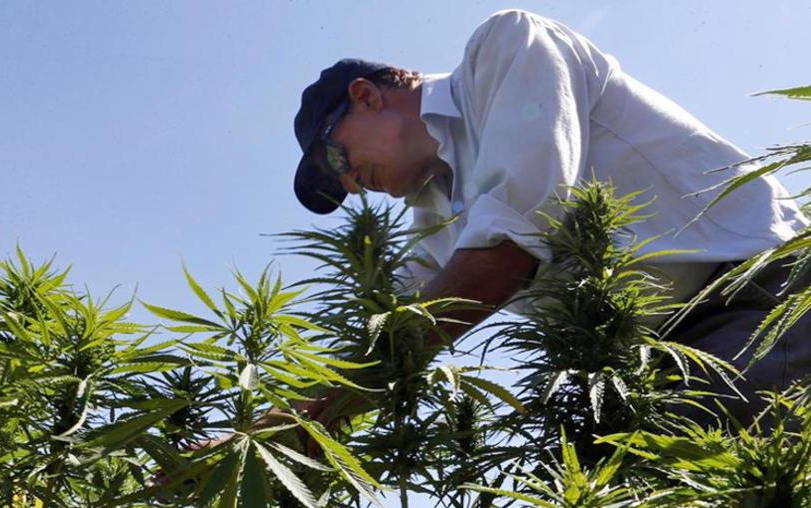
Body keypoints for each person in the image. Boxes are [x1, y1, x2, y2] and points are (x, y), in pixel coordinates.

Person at [292, 9, 810, 426]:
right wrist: (279, 423)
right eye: (342, 188)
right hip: (653, 357)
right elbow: (393, 324)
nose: (353, 185)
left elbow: (505, 251)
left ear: (365, 96)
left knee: (714, 496)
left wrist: (319, 412)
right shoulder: (431, 218)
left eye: (337, 160)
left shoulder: (506, 48)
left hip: (753, 290)